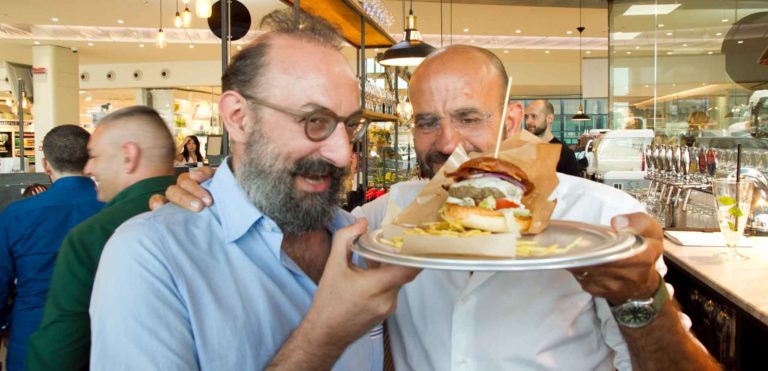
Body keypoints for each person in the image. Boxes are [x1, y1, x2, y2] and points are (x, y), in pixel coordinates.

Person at [160, 44, 720, 370]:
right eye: (427, 122)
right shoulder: (384, 218)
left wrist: (641, 298)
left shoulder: (599, 219)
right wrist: (209, 188)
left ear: (511, 121)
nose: (446, 143)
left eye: (469, 118)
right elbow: (281, 216)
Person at [89, 9, 419, 371]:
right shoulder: (150, 256)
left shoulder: (359, 239)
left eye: (350, 124)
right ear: (238, 118)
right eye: (315, 122)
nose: (343, 154)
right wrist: (324, 334)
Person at [26, 106, 177, 371]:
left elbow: (60, 349)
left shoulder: (93, 236)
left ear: (129, 156)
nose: (88, 168)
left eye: (94, 156)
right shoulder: (210, 214)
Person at [0, 125, 104, 371]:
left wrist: (5, 324)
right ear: (90, 160)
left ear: (46, 164)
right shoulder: (113, 209)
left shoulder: (17, 215)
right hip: (101, 336)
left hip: (33, 333)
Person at [524, 99, 581, 176]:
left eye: (534, 116)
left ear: (550, 118)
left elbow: (574, 186)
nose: (528, 121)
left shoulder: (565, 154)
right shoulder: (523, 149)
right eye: (526, 117)